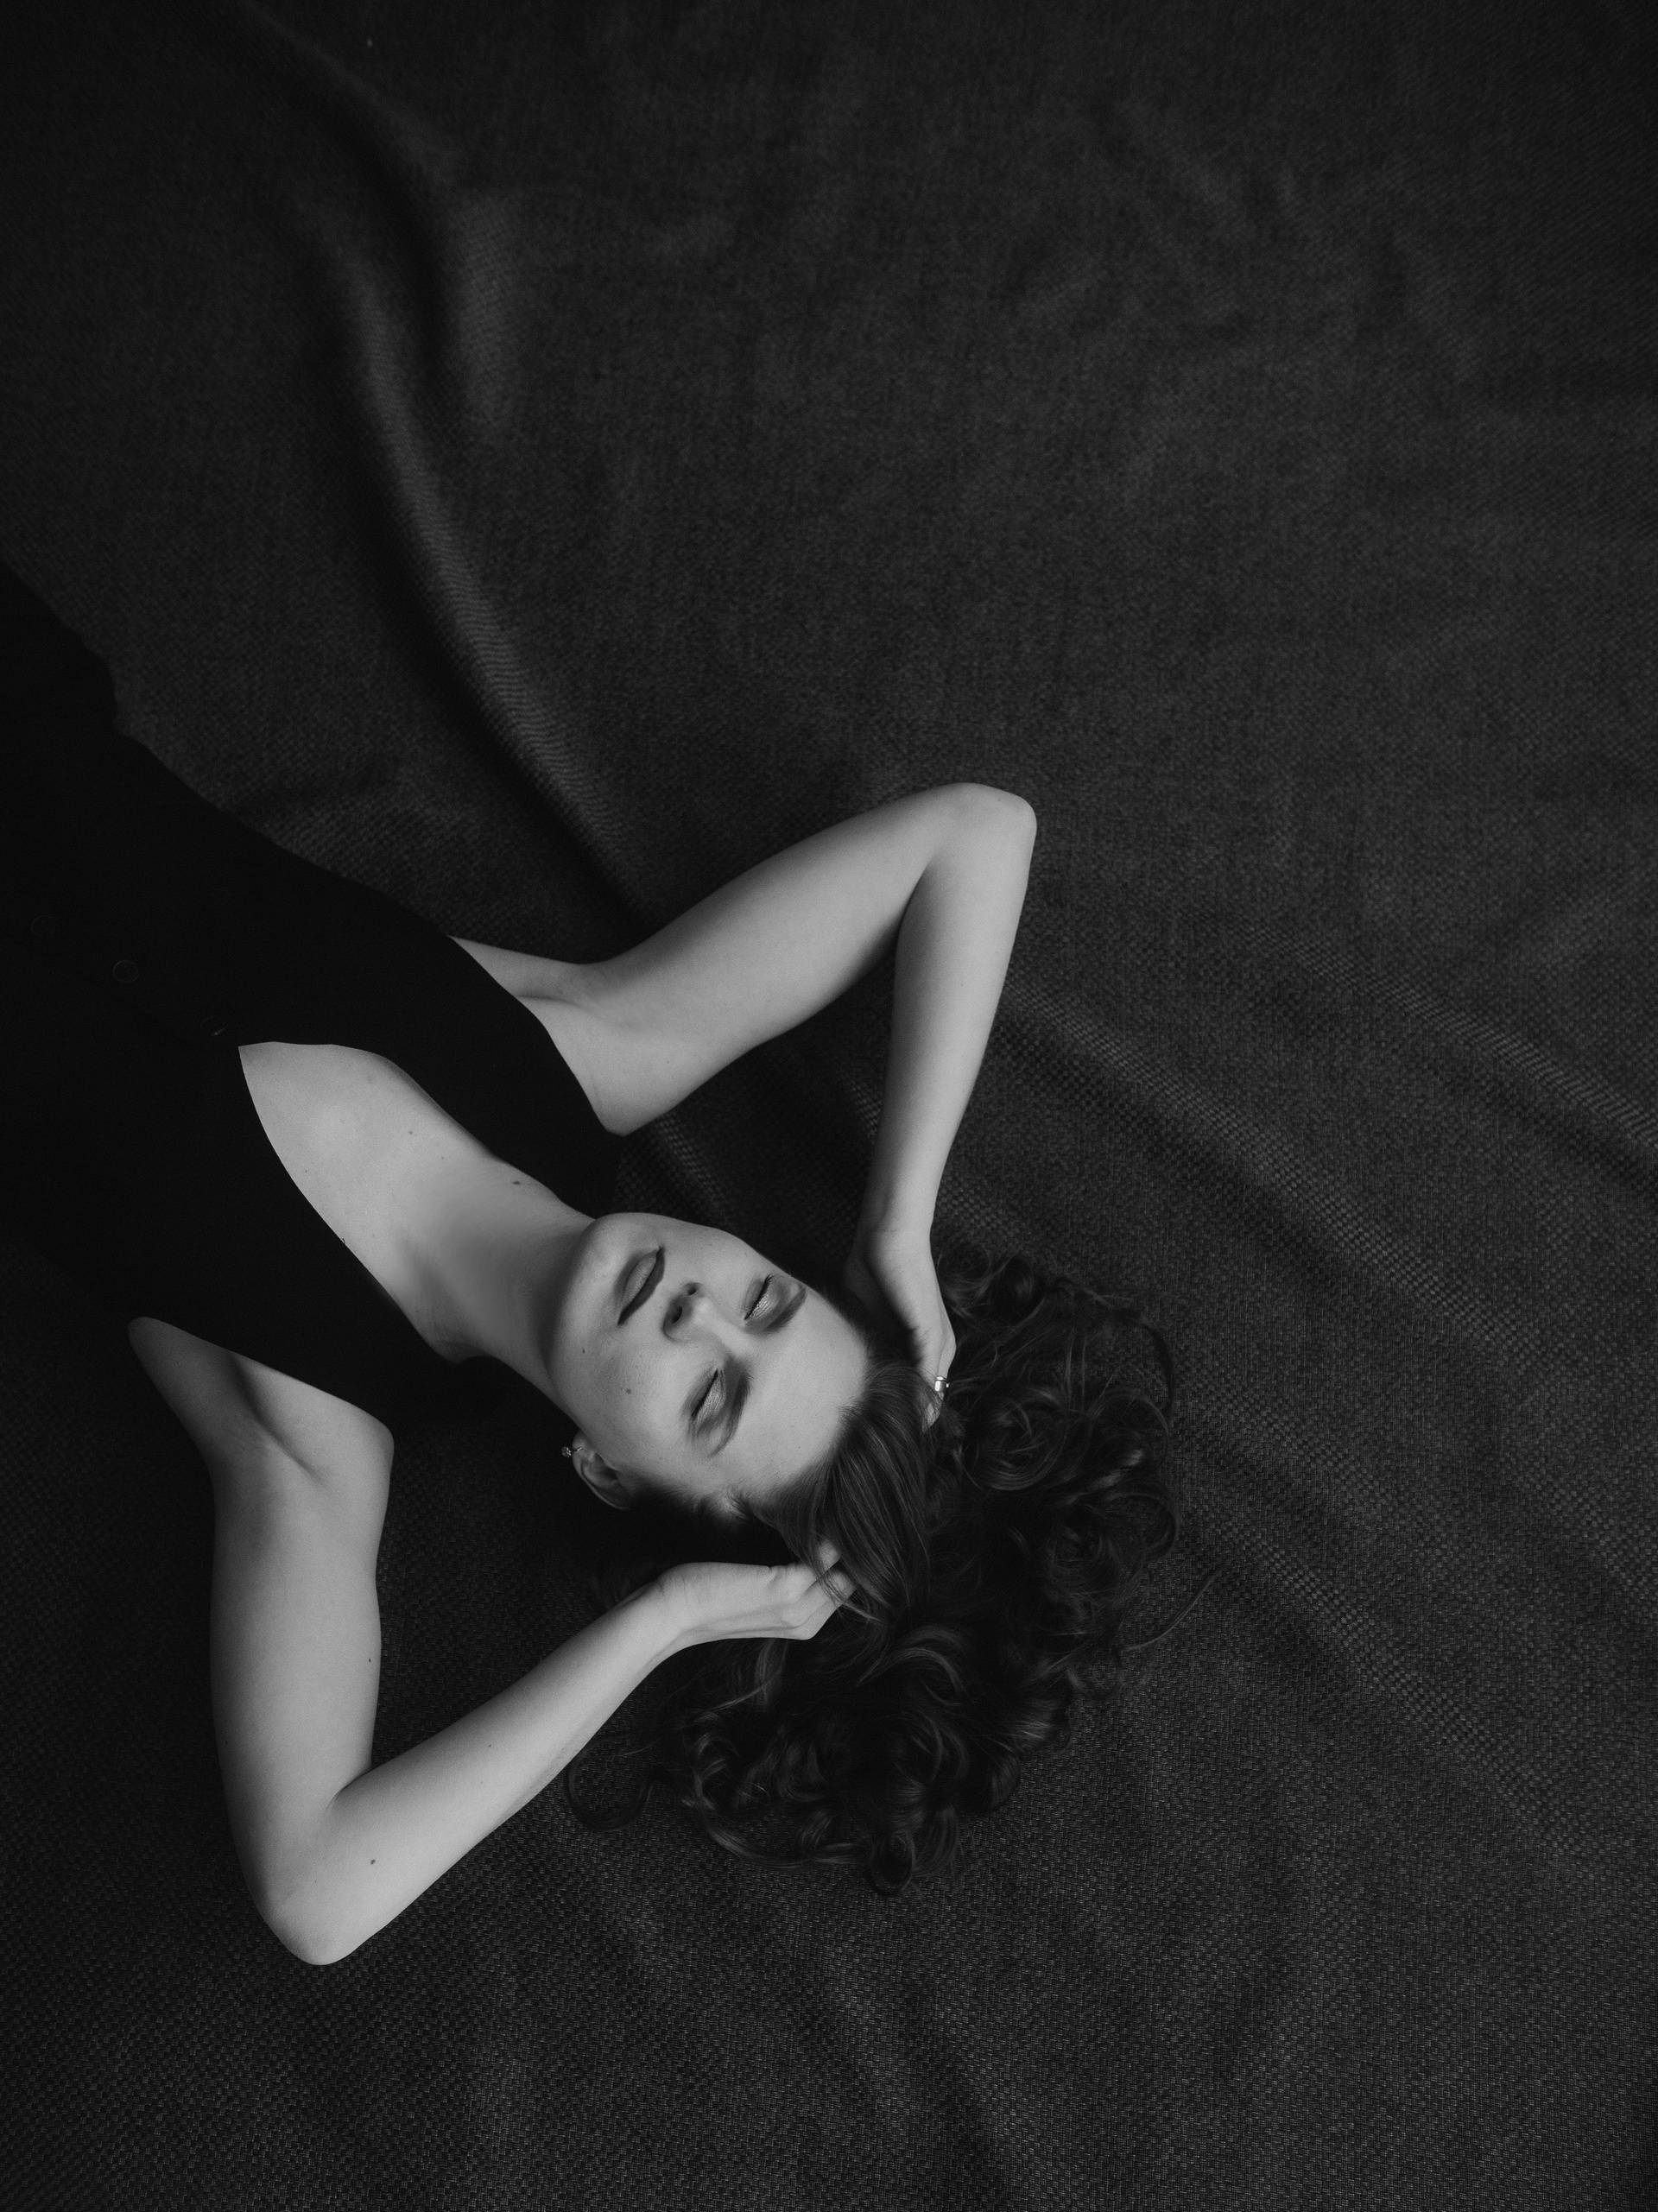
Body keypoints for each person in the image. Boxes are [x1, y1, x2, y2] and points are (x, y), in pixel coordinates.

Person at [2, 560, 1181, 1964]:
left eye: (710, 1397)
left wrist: (669, 1624)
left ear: (611, 1473)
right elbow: (977, 836)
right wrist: (893, 1223)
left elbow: (316, 1892)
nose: (696, 1309)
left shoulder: (310, 1432)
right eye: (764, 1301)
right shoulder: (581, 1054)